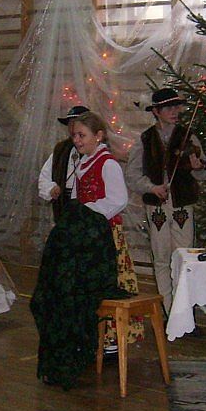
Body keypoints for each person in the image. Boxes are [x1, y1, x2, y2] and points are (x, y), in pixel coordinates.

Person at [30, 111, 135, 390]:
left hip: (103, 236)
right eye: (74, 135)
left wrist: (87, 214)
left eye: (82, 135)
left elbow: (118, 199)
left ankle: (110, 341)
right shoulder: (83, 162)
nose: (76, 141)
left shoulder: (107, 163)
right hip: (84, 237)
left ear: (98, 136)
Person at [125, 88, 206, 314]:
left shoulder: (189, 136)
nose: (174, 112)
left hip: (182, 204)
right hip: (157, 207)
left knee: (184, 256)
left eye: (176, 107)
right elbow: (132, 175)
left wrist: (198, 167)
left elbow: (204, 173)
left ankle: (184, 312)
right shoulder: (145, 139)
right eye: (168, 108)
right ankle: (168, 310)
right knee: (161, 257)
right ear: (156, 111)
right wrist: (152, 187)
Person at [38, 105, 90, 222]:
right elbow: (44, 177)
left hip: (88, 209)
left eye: (76, 124)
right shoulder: (61, 149)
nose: (72, 128)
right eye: (70, 124)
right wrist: (51, 189)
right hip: (63, 207)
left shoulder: (94, 150)